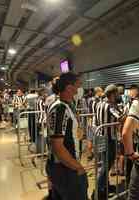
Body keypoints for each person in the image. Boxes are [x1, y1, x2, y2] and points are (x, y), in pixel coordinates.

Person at [45, 72, 88, 200]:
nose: (79, 89)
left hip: (64, 167)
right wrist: (78, 167)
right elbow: (57, 146)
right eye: (78, 85)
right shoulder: (60, 109)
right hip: (65, 169)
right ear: (69, 88)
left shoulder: (67, 106)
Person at [92, 84, 125, 199]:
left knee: (104, 162)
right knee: (107, 164)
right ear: (113, 94)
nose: (118, 95)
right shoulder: (110, 106)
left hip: (101, 136)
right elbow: (120, 117)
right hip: (109, 138)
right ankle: (98, 189)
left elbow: (95, 119)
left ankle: (105, 186)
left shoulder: (99, 104)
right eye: (117, 93)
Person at [86, 87, 104, 161]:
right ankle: (98, 158)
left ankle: (90, 155)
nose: (102, 93)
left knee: (90, 139)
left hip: (91, 123)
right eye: (101, 91)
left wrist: (89, 123)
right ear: (98, 92)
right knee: (97, 141)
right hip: (97, 124)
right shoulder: (100, 101)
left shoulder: (91, 101)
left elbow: (90, 113)